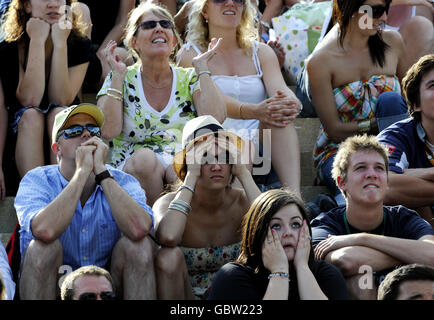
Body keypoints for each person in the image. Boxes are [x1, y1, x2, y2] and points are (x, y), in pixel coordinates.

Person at [14, 103, 156, 300]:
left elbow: (140, 228)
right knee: (41, 249)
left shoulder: (121, 180)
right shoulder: (37, 179)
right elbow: (44, 231)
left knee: (140, 247)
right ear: (57, 148)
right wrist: (81, 174)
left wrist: (101, 172)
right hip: (54, 284)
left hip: (107, 285)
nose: (86, 135)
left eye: (93, 130)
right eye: (74, 131)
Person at [97, 1, 226, 206]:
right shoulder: (121, 77)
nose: (159, 28)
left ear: (174, 41)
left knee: (181, 166)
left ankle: (173, 228)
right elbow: (108, 130)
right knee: (146, 160)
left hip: (180, 166)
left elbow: (216, 118)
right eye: (148, 25)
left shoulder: (189, 77)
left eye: (166, 24)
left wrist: (202, 69)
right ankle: (156, 228)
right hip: (133, 166)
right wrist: (117, 78)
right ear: (134, 42)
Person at [176, 0, 302, 193]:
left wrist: (289, 103)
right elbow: (211, 101)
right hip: (214, 144)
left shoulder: (261, 51)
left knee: (279, 117)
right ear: (205, 11)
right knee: (242, 145)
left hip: (262, 145)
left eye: (238, 0)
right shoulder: (191, 54)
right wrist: (255, 111)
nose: (230, 3)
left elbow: (281, 90)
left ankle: (294, 199)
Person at [304, 0, 410, 205]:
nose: (384, 18)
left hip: (393, 148)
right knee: (361, 189)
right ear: (351, 9)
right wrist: (377, 124)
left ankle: (394, 172)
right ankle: (336, 207)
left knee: (391, 101)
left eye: (385, 9)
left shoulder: (393, 42)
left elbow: (411, 100)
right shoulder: (321, 61)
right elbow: (334, 130)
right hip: (341, 150)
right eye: (377, 11)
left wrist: (388, 123)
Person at [311, 135, 434, 300]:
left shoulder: (403, 217)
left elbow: (431, 254)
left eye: (379, 168)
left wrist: (362, 239)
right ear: (341, 182)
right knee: (362, 276)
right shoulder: (324, 224)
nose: (372, 174)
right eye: (361, 168)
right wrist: (411, 254)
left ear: (387, 181)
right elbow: (346, 261)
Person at [153, 115, 261, 300]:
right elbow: (169, 237)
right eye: (205, 158)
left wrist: (243, 172)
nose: (217, 166)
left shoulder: (242, 201)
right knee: (167, 257)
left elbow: (272, 224)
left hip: (234, 299)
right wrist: (191, 176)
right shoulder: (167, 203)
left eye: (224, 157)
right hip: (186, 298)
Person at [0, 0, 93, 178]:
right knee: (31, 115)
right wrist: (36, 40)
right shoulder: (11, 46)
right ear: (27, 6)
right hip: (22, 141)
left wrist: (60, 43)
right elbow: (30, 100)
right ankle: (37, 197)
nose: (52, 4)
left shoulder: (80, 44)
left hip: (66, 140)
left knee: (59, 113)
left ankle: (65, 196)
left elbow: (60, 99)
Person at [208, 188, 348, 300]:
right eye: (276, 226)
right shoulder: (232, 277)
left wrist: (303, 268)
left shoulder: (325, 274)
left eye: (295, 224)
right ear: (258, 232)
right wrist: (279, 272)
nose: (288, 233)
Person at [377, 54, 434, 228]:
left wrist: (409, 174)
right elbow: (382, 184)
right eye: (433, 86)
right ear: (416, 104)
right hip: (418, 235)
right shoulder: (396, 136)